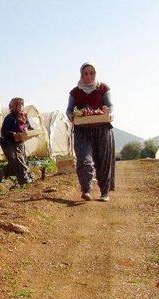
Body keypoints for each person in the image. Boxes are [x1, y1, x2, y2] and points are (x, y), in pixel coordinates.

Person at [66, 62, 115, 202]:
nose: (89, 76)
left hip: (102, 128)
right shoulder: (75, 92)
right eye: (85, 73)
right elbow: (69, 110)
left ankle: (104, 192)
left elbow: (110, 106)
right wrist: (72, 116)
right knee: (84, 158)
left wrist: (108, 111)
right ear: (81, 75)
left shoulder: (103, 88)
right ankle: (86, 189)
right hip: (82, 129)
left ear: (96, 74)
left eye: (91, 73)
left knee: (103, 160)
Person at [0, 97, 35, 185]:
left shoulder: (23, 116)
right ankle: (24, 182)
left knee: (20, 160)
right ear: (12, 106)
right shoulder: (9, 118)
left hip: (20, 141)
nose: (20, 107)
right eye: (18, 105)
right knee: (18, 162)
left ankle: (4, 172)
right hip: (9, 142)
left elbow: (29, 127)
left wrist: (32, 132)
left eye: (22, 105)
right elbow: (4, 132)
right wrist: (13, 134)